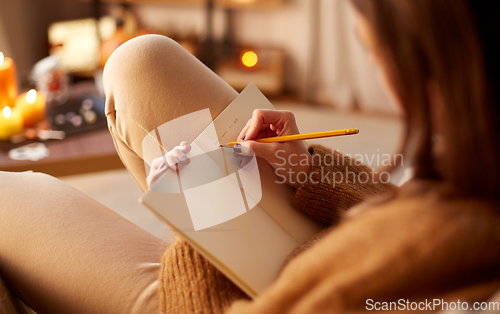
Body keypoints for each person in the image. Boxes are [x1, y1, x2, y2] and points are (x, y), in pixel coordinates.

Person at [1, 0, 500, 313]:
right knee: (141, 60)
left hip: (226, 298)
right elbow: (397, 216)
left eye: (373, 52)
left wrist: (200, 227)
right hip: (319, 243)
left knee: (11, 195)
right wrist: (311, 172)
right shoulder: (474, 180)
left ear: (440, 69)